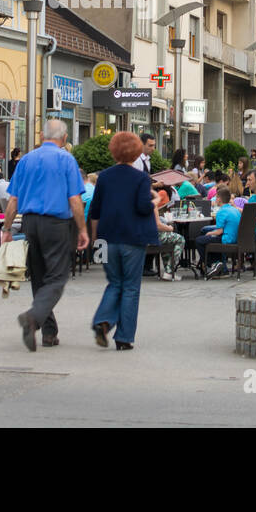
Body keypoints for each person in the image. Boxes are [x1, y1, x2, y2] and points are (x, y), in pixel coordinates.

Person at [4, 119, 88, 351]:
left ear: (42, 136)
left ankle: (49, 333)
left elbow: (13, 200)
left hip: (30, 223)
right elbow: (74, 200)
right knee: (58, 277)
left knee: (40, 277)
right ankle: (33, 317)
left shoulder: (26, 160)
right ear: (64, 138)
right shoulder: (66, 159)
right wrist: (82, 229)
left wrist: (6, 229)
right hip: (57, 224)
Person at [89, 131, 158, 350]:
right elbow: (142, 206)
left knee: (115, 283)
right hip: (133, 238)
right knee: (130, 287)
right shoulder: (140, 178)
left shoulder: (104, 177)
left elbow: (95, 210)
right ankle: (124, 337)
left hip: (108, 237)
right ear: (137, 151)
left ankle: (103, 320)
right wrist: (155, 199)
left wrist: (94, 239)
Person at [198, 189, 243, 279]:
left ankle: (213, 264)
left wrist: (209, 233)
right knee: (210, 237)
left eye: (216, 197)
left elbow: (219, 231)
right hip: (237, 238)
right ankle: (221, 267)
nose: (215, 199)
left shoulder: (221, 212)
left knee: (199, 240)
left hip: (227, 239)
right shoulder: (234, 209)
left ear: (219, 199)